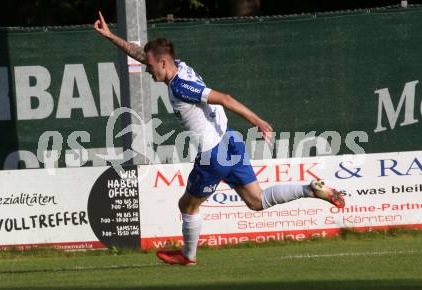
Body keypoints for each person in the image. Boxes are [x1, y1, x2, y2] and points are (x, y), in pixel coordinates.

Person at [94, 11, 345, 266]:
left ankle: (188, 257)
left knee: (187, 206)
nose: (147, 70)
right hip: (230, 140)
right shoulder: (178, 65)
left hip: (213, 154)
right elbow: (139, 53)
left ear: (162, 63)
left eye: (149, 66)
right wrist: (110, 36)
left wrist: (257, 121)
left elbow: (224, 98)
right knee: (257, 201)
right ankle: (309, 189)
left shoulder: (181, 86)